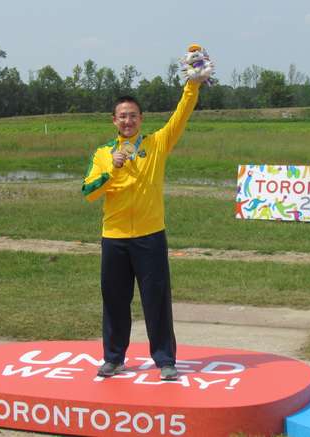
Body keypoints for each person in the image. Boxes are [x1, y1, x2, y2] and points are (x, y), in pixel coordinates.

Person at [82, 57, 203, 381]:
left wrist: (192, 85)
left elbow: (180, 116)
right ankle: (113, 358)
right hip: (115, 237)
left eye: (133, 116)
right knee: (115, 300)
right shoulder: (103, 153)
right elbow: (88, 191)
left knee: (156, 300)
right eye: (122, 116)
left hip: (150, 236)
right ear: (113, 120)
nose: (128, 121)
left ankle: (165, 360)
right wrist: (112, 169)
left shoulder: (157, 143)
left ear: (141, 119)